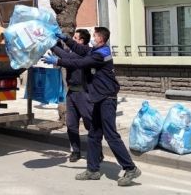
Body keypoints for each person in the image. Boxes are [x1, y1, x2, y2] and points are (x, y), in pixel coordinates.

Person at [43, 27, 141, 187]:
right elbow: (80, 49)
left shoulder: (101, 54)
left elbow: (80, 62)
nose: (93, 37)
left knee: (111, 135)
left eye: (95, 35)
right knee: (94, 134)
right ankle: (93, 170)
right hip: (98, 99)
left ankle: (130, 168)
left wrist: (58, 61)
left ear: (101, 38)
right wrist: (66, 38)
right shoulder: (95, 50)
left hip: (107, 99)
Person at [50, 28, 93, 162]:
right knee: (71, 124)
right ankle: (75, 151)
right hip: (71, 93)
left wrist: (49, 44)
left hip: (83, 94)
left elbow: (66, 57)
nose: (72, 40)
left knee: (89, 123)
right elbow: (62, 52)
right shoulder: (73, 51)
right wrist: (54, 41)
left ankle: (96, 150)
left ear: (81, 41)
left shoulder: (84, 52)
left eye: (74, 38)